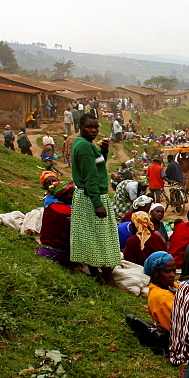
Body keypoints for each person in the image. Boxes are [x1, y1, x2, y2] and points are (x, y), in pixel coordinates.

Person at [70, 113, 119, 286]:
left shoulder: (87, 145)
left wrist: (104, 151)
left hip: (89, 195)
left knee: (92, 237)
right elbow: (90, 177)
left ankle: (97, 275)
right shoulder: (83, 147)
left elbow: (97, 165)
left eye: (96, 127)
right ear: (80, 127)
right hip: (92, 196)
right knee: (101, 238)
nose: (93, 130)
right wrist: (97, 203)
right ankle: (108, 277)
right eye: (89, 127)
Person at [38, 181, 79, 270]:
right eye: (72, 194)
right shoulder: (70, 212)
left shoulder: (49, 207)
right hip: (61, 256)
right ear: (63, 196)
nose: (75, 196)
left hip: (44, 250)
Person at [145, 251, 178, 331]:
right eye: (168, 271)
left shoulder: (167, 286)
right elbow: (180, 325)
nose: (173, 275)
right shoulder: (163, 298)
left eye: (174, 271)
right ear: (156, 273)